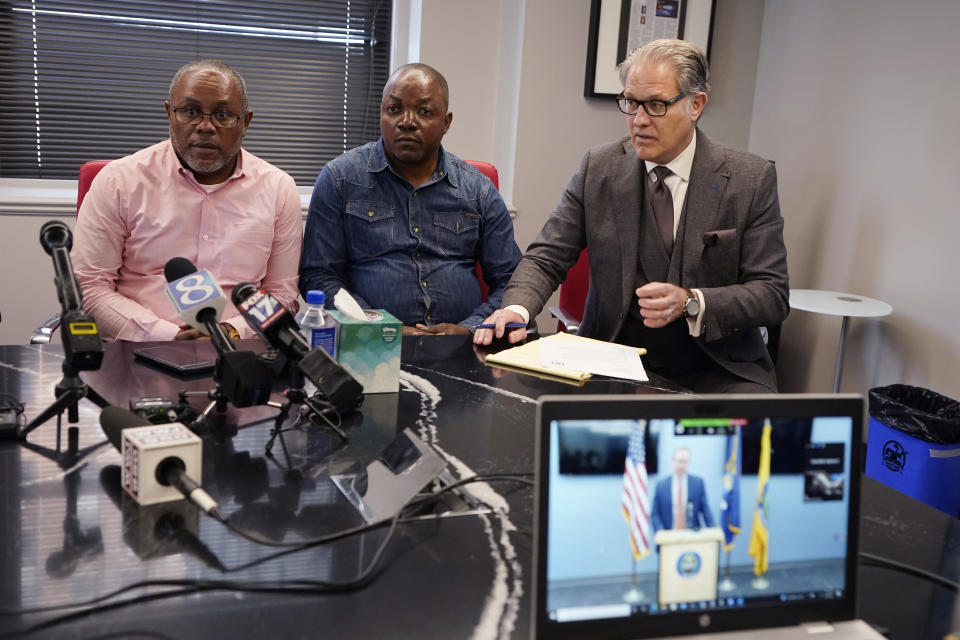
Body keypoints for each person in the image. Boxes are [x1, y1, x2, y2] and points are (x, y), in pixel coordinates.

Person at [475, 39, 789, 392]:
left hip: (716, 367)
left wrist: (692, 301)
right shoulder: (599, 168)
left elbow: (771, 293)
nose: (638, 120)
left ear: (695, 105)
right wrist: (517, 310)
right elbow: (547, 256)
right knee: (521, 400)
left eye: (656, 105)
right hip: (611, 358)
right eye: (631, 103)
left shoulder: (750, 179)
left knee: (752, 430)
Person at [72, 59, 302, 342]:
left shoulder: (278, 188)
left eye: (223, 115)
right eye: (191, 112)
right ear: (169, 112)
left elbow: (282, 294)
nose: (206, 126)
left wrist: (230, 333)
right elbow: (90, 288)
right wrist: (169, 338)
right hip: (138, 352)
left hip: (241, 354)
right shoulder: (118, 181)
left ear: (246, 122)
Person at [298, 63, 522, 336]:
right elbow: (318, 277)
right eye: (394, 109)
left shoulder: (478, 190)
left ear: (446, 122)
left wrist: (471, 329)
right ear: (381, 113)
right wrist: (378, 327)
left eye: (424, 112)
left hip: (463, 347)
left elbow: (511, 281)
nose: (407, 121)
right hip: (368, 345)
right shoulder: (340, 179)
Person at [651, 446, 714, 532]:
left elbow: (706, 510)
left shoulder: (698, 483)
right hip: (668, 538)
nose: (681, 465)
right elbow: (655, 514)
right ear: (673, 461)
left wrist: (713, 531)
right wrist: (660, 531)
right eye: (679, 461)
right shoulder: (661, 485)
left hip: (692, 538)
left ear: (689, 463)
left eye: (684, 462)